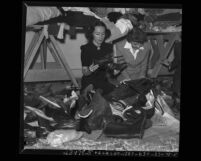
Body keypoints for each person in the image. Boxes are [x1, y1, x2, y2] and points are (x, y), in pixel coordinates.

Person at [80, 20, 115, 95]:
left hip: (104, 79)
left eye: (103, 34)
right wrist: (92, 68)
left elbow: (112, 69)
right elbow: (85, 73)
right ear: (91, 34)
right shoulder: (86, 49)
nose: (101, 37)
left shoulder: (109, 47)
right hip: (90, 80)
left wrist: (113, 68)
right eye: (97, 34)